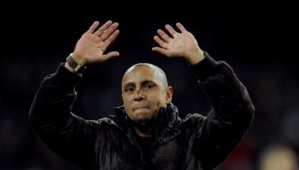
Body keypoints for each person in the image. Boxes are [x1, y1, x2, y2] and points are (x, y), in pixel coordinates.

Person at [28, 20, 255, 170]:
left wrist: (200, 60)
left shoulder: (194, 138)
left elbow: (237, 113)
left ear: (168, 95)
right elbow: (46, 120)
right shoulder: (101, 140)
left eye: (148, 86)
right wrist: (72, 65)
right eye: (130, 89)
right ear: (123, 98)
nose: (137, 94)